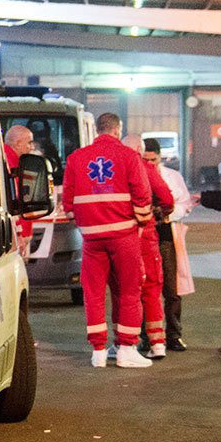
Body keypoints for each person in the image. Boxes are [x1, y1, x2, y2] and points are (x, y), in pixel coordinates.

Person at [62, 113, 153, 368]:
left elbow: (68, 201)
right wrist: (141, 221)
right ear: (117, 129)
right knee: (129, 291)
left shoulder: (76, 158)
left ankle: (98, 351)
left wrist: (85, 222)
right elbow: (142, 194)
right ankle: (126, 349)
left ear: (97, 130)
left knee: (93, 293)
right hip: (123, 235)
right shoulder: (128, 156)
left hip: (91, 238)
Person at [113, 134, 173, 359]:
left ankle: (123, 343)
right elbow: (167, 199)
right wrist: (160, 212)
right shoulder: (144, 168)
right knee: (151, 287)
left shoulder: (113, 169)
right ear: (140, 149)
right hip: (145, 234)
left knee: (124, 290)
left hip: (119, 236)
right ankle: (157, 343)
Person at [144, 138, 194, 351]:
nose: (149, 164)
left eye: (153, 160)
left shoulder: (173, 177)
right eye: (145, 160)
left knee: (172, 290)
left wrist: (167, 214)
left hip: (167, 238)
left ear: (159, 157)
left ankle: (174, 334)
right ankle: (146, 336)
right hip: (143, 240)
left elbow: (185, 204)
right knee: (145, 289)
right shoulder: (135, 175)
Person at [4, 124, 35, 256]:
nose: (32, 147)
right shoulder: (9, 166)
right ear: (17, 144)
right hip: (15, 239)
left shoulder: (13, 163)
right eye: (29, 143)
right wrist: (18, 234)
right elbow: (13, 204)